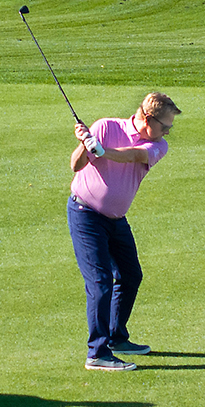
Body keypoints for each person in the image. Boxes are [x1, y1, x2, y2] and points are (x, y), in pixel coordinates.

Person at [67, 92, 180, 371]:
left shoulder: (158, 145)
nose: (168, 132)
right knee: (100, 282)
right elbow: (76, 165)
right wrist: (85, 143)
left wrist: (103, 151)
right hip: (86, 215)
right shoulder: (106, 127)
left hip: (116, 220)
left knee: (131, 275)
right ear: (147, 118)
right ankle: (97, 353)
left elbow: (134, 155)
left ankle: (116, 337)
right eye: (165, 126)